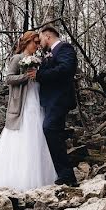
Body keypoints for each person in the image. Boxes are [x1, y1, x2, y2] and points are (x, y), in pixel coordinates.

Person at [0, 31, 58, 191]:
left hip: (36, 100)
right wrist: (26, 76)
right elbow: (9, 78)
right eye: (35, 42)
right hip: (22, 104)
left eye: (39, 43)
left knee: (37, 134)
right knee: (21, 134)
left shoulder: (38, 60)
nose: (38, 46)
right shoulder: (17, 59)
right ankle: (17, 177)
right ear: (27, 42)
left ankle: (40, 175)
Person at [28, 26, 79, 186]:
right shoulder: (49, 54)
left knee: (49, 128)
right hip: (51, 101)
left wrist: (40, 75)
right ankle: (64, 175)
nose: (39, 42)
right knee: (54, 132)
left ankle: (66, 175)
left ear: (48, 36)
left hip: (60, 99)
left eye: (41, 38)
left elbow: (66, 69)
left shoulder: (65, 48)